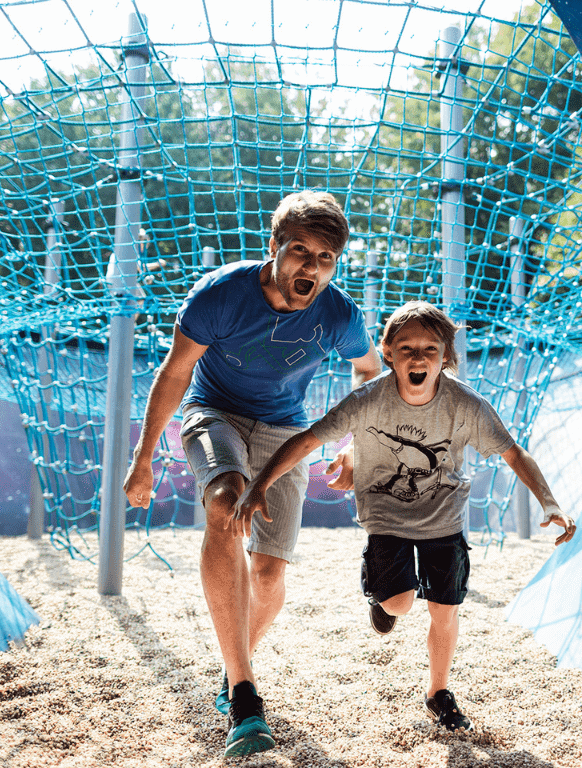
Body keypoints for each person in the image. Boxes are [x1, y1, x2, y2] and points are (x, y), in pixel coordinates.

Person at [234, 300, 576, 733]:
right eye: (407, 348)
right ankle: (381, 595)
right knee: (400, 603)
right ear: (389, 353)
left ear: (446, 358)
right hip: (386, 518)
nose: (418, 358)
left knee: (445, 610)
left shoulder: (465, 405)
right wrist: (260, 483)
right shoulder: (368, 400)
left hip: (444, 521)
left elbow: (513, 452)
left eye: (430, 349)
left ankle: (438, 692)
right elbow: (305, 441)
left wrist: (550, 502)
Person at [123, 190, 382, 757]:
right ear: (275, 248)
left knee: (268, 573)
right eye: (299, 251)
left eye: (324, 258)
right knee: (225, 503)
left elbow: (370, 372)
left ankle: (231, 666)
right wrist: (142, 458)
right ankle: (244, 695)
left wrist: (356, 445)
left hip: (285, 432)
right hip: (213, 410)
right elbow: (174, 374)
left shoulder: (339, 314)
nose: (310, 267)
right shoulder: (221, 295)